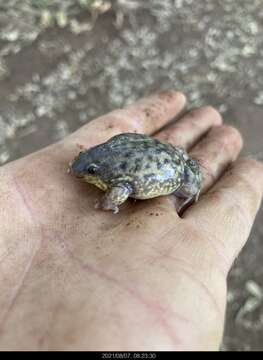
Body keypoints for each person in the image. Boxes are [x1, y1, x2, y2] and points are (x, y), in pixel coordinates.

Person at [0, 90, 262, 351]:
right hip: (163, 154)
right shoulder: (106, 159)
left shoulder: (116, 179)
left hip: (174, 170)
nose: (82, 172)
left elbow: (120, 192)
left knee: (189, 184)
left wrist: (107, 203)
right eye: (87, 162)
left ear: (101, 172)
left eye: (90, 171)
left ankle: (186, 191)